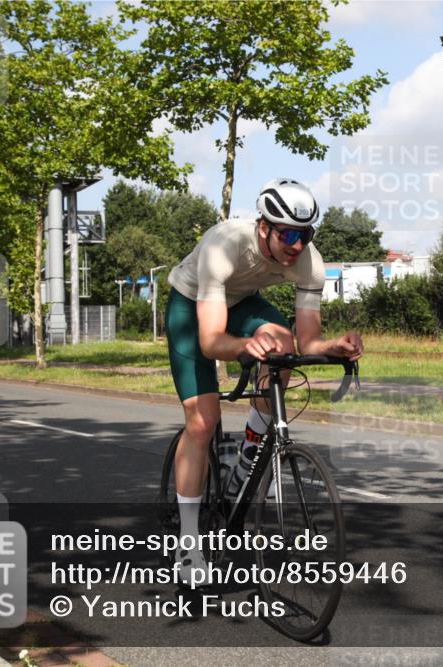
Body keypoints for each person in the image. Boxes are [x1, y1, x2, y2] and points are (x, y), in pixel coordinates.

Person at [164, 178, 363, 582]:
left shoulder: (308, 260)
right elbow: (211, 341)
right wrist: (243, 345)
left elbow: (307, 339)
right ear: (263, 228)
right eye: (288, 233)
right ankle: (188, 546)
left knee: (284, 344)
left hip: (242, 301)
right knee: (202, 422)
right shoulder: (225, 245)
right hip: (192, 305)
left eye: (305, 234)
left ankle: (249, 457)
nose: (296, 244)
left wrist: (331, 347)